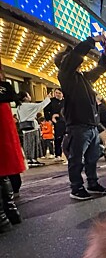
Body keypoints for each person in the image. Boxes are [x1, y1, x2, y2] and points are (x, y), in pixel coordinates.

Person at [54, 35, 106, 200]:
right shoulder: (65, 76)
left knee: (92, 159)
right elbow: (75, 55)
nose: (75, 60)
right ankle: (76, 188)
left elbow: (100, 68)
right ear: (64, 63)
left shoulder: (83, 77)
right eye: (69, 59)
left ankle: (92, 184)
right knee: (76, 160)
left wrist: (105, 52)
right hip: (78, 126)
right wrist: (92, 40)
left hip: (91, 126)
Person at [0, 69, 24, 232]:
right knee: (3, 172)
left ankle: (3, 217)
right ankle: (10, 213)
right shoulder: (4, 86)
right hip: (4, 126)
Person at [17, 91, 51, 167]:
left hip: (24, 127)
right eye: (28, 95)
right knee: (33, 143)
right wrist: (47, 98)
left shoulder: (19, 106)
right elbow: (41, 105)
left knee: (28, 143)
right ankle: (32, 159)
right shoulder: (28, 105)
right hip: (31, 126)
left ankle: (31, 159)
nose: (30, 96)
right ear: (25, 97)